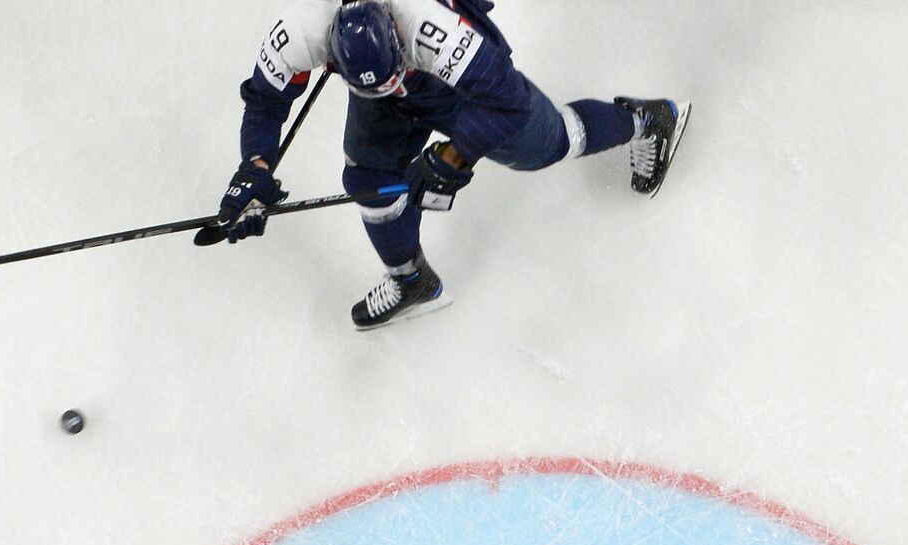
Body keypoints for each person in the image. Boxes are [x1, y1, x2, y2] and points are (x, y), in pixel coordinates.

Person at [213, 0, 691, 330]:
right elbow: (264, 102)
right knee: (368, 177)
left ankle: (647, 120)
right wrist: (254, 167)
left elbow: (506, 102)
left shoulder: (430, 27)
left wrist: (451, 158)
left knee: (551, 144)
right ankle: (411, 280)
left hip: (461, 88)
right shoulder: (301, 30)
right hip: (388, 88)